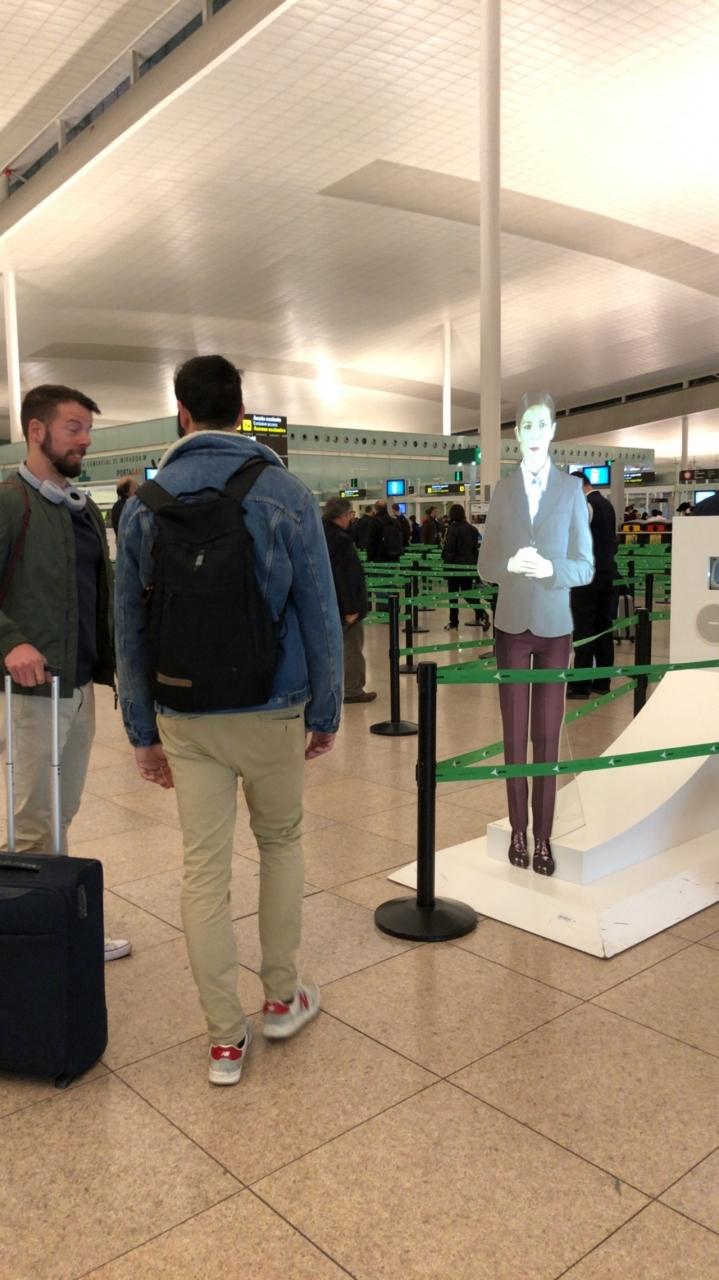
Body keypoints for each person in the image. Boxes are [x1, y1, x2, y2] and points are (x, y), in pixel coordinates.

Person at [115, 355, 343, 1087]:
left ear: (181, 413)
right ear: (241, 413)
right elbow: (320, 612)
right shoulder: (284, 491)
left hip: (186, 713)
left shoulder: (145, 503)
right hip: (273, 705)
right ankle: (281, 998)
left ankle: (223, 1040)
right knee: (280, 844)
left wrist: (141, 731)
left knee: (203, 869)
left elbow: (129, 628)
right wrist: (326, 710)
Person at [0, 384, 130, 961]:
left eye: (88, 430)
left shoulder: (79, 509)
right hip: (31, 691)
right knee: (33, 824)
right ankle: (36, 957)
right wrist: (11, 642)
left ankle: (56, 933)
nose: (85, 440)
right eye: (74, 428)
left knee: (61, 812)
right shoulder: (10, 503)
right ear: (36, 431)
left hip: (77, 685)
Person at [478, 391, 594, 878]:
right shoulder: (503, 492)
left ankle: (543, 836)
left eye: (541, 424)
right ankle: (518, 829)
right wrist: (508, 564)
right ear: (517, 433)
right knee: (513, 735)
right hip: (511, 625)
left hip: (554, 627)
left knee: (547, 735)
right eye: (526, 425)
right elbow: (485, 564)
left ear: (553, 431)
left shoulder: (570, 491)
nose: (534, 433)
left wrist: (550, 568)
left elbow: (586, 566)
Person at [323, 497, 376, 705]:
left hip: (328, 601)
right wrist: (351, 607)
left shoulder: (320, 535)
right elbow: (346, 576)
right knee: (352, 646)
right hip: (345, 604)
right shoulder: (341, 540)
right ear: (342, 515)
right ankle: (353, 690)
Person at [568, 473, 618, 699]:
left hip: (586, 579)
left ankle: (580, 685)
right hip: (606, 575)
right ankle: (603, 682)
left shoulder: (585, 505)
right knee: (604, 628)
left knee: (584, 629)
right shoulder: (608, 506)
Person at [441, 505, 489, 632]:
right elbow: (475, 550)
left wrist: (446, 569)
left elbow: (450, 551)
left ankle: (454, 622)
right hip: (468, 567)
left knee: (453, 595)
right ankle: (481, 613)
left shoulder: (452, 530)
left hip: (455, 567)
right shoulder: (473, 529)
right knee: (468, 593)